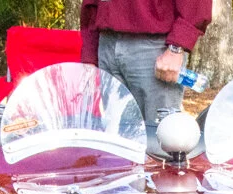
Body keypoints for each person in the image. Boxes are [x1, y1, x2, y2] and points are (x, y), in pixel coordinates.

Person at [80, 0, 212, 125]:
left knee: (160, 139)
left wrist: (176, 47)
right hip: (106, 43)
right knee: (118, 140)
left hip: (154, 46)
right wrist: (89, 54)